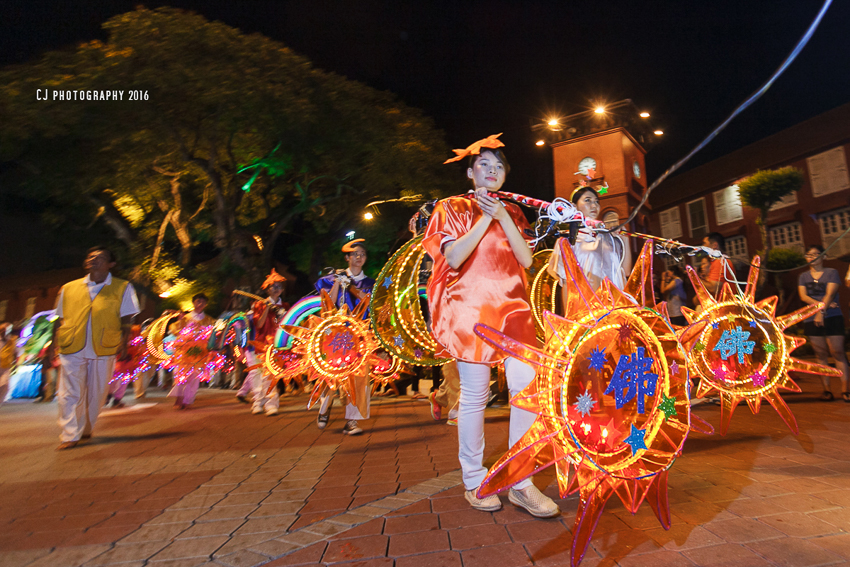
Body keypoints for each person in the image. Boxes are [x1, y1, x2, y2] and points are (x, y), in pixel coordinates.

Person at [423, 137, 559, 518]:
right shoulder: (452, 207)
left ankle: (520, 481)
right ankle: (474, 480)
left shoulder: (514, 212)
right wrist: (485, 216)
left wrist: (501, 215)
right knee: (475, 396)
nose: (493, 170)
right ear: (470, 172)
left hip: (513, 311)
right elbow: (453, 256)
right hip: (471, 311)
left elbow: (527, 258)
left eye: (498, 166)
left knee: (528, 387)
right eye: (484, 165)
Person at [53, 246, 139, 450]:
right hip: (71, 344)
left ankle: (86, 425)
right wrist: (51, 348)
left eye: (101, 257)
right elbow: (58, 319)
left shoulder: (123, 287)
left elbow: (127, 317)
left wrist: (124, 343)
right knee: (68, 391)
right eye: (91, 256)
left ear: (111, 264)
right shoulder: (68, 287)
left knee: (98, 391)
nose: (94, 259)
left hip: (104, 345)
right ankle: (69, 434)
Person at [314, 240, 376, 435]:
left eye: (362, 254)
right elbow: (328, 303)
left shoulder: (370, 283)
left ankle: (352, 421)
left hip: (359, 337)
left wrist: (351, 288)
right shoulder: (331, 279)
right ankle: (324, 407)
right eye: (355, 254)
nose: (359, 257)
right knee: (330, 376)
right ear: (347, 258)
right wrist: (338, 283)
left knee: (358, 378)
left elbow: (370, 304)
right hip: (335, 336)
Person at [548, 186, 632, 293]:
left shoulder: (609, 237)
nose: (594, 205)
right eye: (587, 200)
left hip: (615, 304)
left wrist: (625, 239)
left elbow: (626, 272)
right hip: (587, 306)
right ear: (574, 206)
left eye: (597, 202)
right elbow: (566, 285)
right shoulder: (566, 241)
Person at [798, 245, 849, 402]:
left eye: (816, 254)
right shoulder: (803, 276)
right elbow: (803, 297)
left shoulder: (831, 272)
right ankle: (826, 390)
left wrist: (820, 312)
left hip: (832, 316)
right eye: (809, 254)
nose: (812, 257)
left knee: (838, 352)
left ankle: (846, 389)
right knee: (820, 355)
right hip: (811, 318)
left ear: (823, 256)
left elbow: (830, 293)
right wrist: (820, 305)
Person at [245, 271, 288, 416]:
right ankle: (258, 402)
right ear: (267, 289)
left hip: (278, 345)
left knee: (271, 374)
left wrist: (282, 314)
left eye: (279, 286)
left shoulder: (285, 306)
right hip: (262, 344)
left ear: (282, 289)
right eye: (273, 286)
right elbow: (258, 324)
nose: (276, 289)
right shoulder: (259, 304)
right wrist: (267, 308)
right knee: (259, 375)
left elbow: (289, 326)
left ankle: (271, 403)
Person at [167, 293, 217, 409]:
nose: (200, 304)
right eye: (198, 301)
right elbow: (175, 329)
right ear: (193, 303)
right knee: (180, 375)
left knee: (194, 377)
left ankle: (187, 400)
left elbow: (214, 335)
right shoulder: (185, 318)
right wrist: (180, 323)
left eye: (203, 302)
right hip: (184, 352)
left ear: (205, 305)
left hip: (201, 353)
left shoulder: (209, 320)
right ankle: (179, 398)